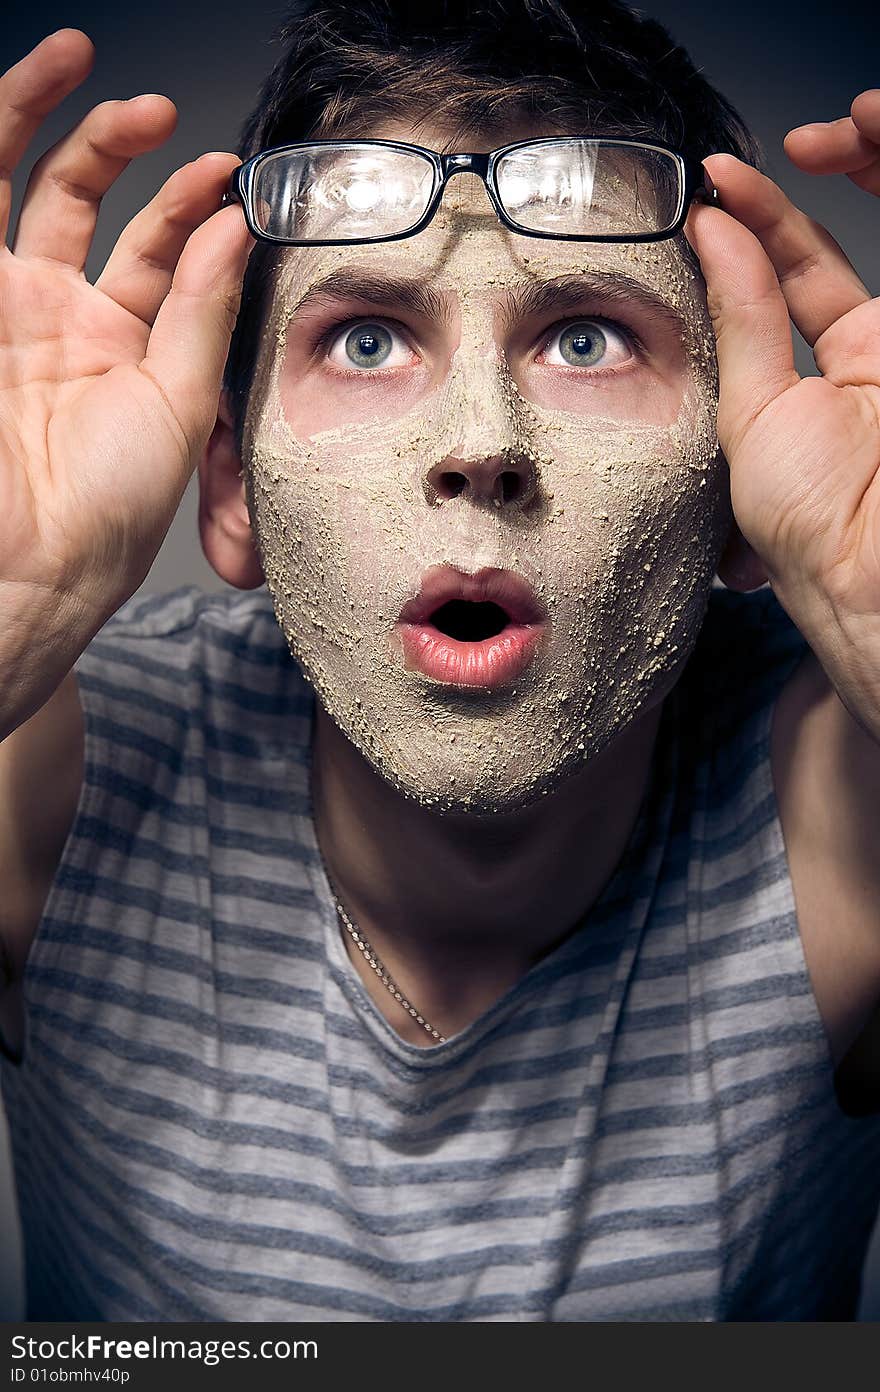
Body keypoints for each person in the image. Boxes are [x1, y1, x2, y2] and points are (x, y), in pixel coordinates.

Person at [0, 0, 879, 1322]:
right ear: (231, 492)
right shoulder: (54, 792)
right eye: (365, 337)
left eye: (586, 336)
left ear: (736, 487)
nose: (480, 441)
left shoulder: (834, 810)